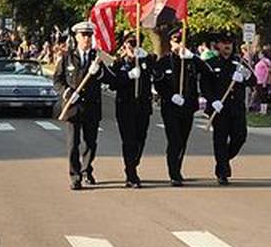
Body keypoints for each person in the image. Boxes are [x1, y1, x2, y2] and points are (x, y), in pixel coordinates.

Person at [58, 21, 111, 190]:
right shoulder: (67, 57)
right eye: (84, 35)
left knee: (90, 143)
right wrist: (67, 92)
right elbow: (57, 80)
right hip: (73, 107)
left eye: (89, 35)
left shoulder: (98, 57)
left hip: (91, 106)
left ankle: (87, 170)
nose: (87, 38)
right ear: (76, 37)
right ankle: (75, 176)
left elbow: (110, 77)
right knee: (73, 144)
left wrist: (100, 71)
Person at [201, 34, 256, 185]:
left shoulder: (239, 62)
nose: (227, 46)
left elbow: (254, 80)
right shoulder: (210, 64)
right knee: (220, 140)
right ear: (217, 45)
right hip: (219, 109)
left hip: (236, 108)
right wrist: (213, 102)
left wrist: (245, 75)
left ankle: (224, 159)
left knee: (240, 136)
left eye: (230, 44)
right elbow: (205, 86)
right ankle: (222, 172)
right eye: (224, 43)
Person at [153, 25, 204, 186]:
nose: (179, 45)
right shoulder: (164, 61)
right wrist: (171, 96)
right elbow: (158, 84)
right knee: (174, 140)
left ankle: (178, 168)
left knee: (182, 140)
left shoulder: (191, 61)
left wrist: (193, 57)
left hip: (188, 107)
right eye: (176, 42)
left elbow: (207, 71)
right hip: (170, 108)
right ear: (171, 43)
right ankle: (174, 173)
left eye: (182, 42)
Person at [104, 33, 154, 188]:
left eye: (135, 43)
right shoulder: (118, 63)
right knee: (129, 141)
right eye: (129, 43)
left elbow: (156, 73)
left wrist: (144, 60)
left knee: (140, 139)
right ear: (124, 45)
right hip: (126, 107)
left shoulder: (147, 60)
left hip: (143, 107)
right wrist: (128, 76)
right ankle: (131, 174)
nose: (132, 47)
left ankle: (133, 163)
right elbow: (112, 83)